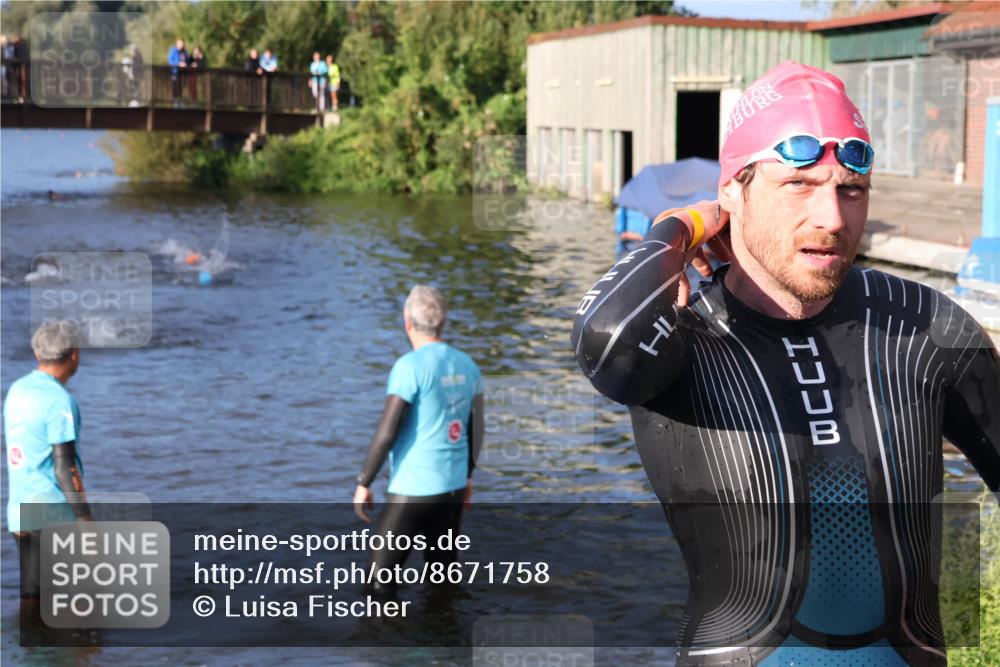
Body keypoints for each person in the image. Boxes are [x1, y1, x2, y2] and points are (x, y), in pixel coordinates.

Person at [572, 61, 999, 666]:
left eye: (850, 188)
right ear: (732, 191)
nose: (831, 217)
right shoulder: (684, 339)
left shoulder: (922, 325)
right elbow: (606, 338)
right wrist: (680, 226)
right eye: (798, 183)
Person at [354, 285, 484, 597]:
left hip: (413, 491)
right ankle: (442, 642)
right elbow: (476, 430)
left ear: (407, 322)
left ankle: (388, 643)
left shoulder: (409, 367)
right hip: (452, 489)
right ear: (443, 322)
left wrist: (364, 482)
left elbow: (387, 431)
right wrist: (467, 478)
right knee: (441, 584)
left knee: (377, 587)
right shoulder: (468, 365)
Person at [5, 321, 93, 602]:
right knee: (79, 606)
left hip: (19, 512)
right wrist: (84, 519)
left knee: (34, 599)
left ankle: (26, 646)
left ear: (37, 353)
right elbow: (65, 467)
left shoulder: (16, 391)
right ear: (74, 354)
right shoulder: (59, 400)